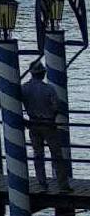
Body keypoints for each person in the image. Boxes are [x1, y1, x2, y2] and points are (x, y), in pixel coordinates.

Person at [24, 58, 71, 190]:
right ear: (43, 73)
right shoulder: (49, 89)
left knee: (38, 155)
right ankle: (63, 184)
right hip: (48, 124)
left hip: (33, 123)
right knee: (57, 155)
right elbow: (56, 107)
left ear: (31, 73)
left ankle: (42, 182)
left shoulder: (24, 88)